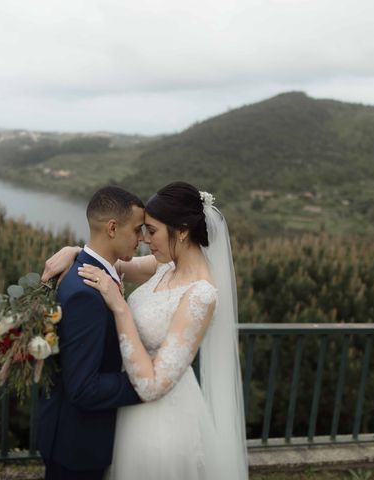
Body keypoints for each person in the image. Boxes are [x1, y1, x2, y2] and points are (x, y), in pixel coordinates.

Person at [42, 181, 249, 479]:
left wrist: (121, 307)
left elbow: (153, 385)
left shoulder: (201, 294)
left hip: (163, 418)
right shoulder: (166, 265)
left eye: (151, 231)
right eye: (142, 231)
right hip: (125, 411)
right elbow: (112, 260)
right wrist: (73, 251)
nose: (144, 240)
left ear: (181, 231)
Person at [36, 186, 145, 480]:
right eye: (137, 230)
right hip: (77, 447)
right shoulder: (87, 291)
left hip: (76, 439)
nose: (142, 238)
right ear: (112, 227)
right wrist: (145, 383)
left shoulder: (92, 269)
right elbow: (83, 387)